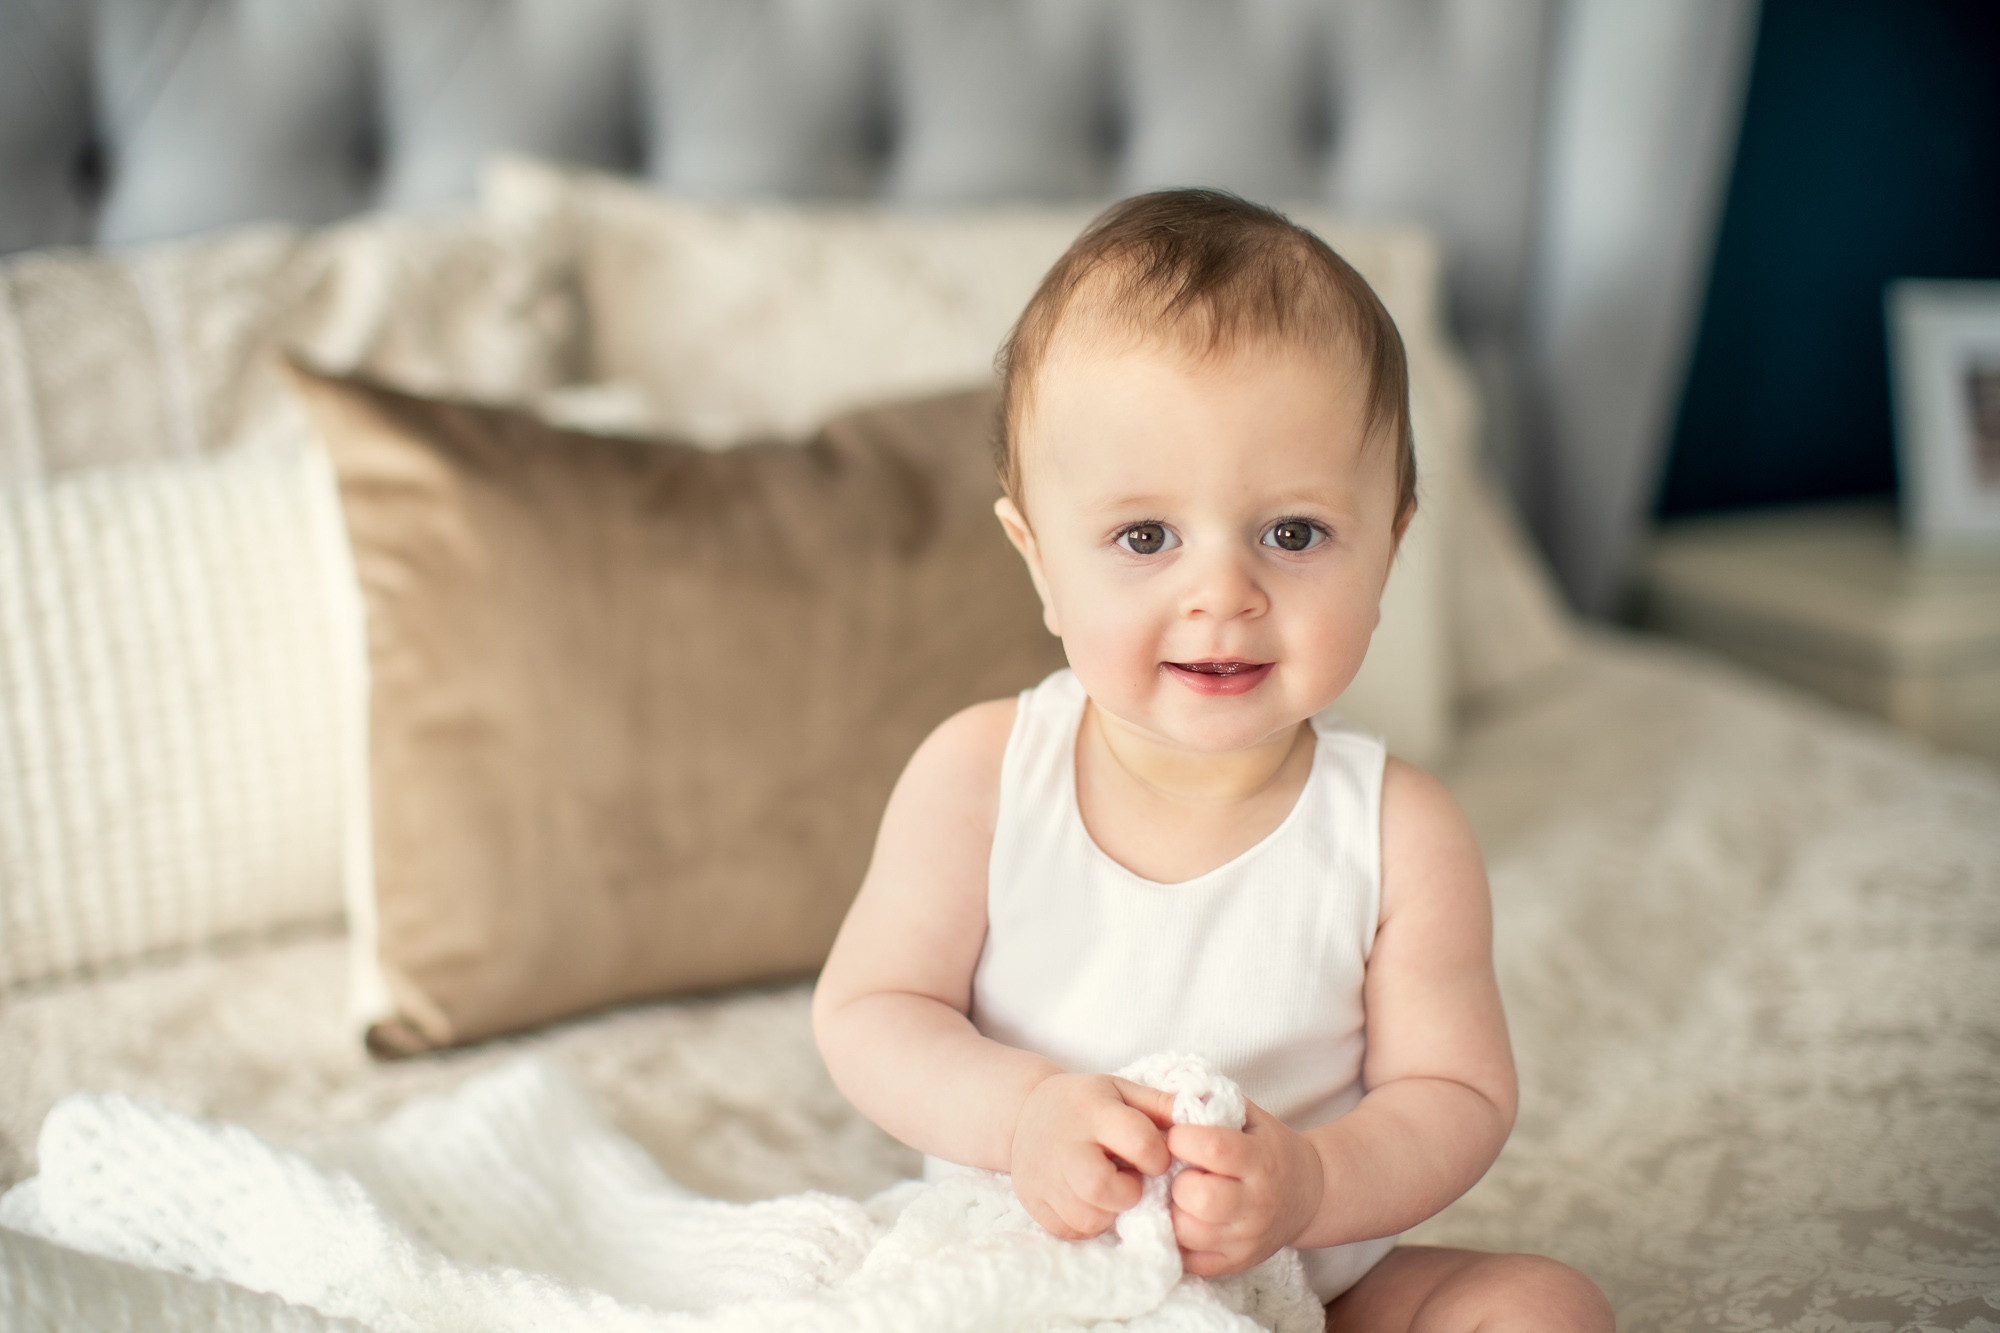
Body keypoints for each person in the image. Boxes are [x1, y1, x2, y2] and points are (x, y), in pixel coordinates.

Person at [812, 189, 1613, 1333]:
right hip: (1029, 1257)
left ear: (1388, 546)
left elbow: (1456, 1096)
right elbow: (871, 1012)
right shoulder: (982, 771)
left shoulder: (1398, 829)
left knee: (1543, 1306)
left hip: (1306, 1272)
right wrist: (1025, 1113)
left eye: (1292, 533)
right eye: (1144, 537)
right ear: (1037, 562)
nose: (1221, 594)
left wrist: (1315, 1185)